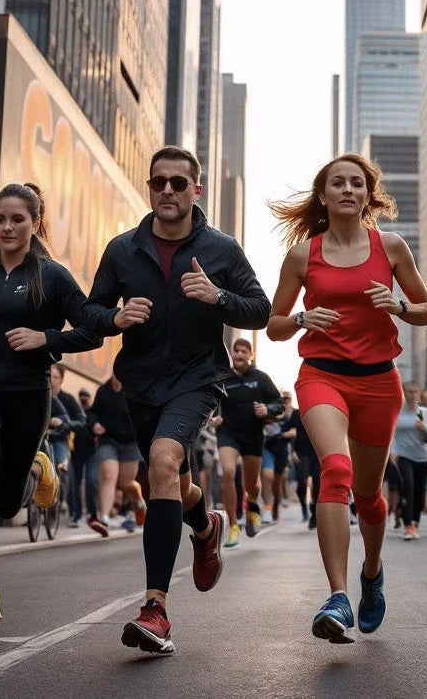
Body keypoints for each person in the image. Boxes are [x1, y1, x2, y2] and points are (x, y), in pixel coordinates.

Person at [83, 146, 271, 655]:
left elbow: (261, 309)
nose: (168, 190)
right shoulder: (123, 249)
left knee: (162, 462)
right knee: (175, 483)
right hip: (141, 385)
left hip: (197, 378)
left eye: (178, 183)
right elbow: (90, 313)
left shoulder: (221, 249)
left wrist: (219, 298)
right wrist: (114, 319)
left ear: (196, 190)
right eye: (159, 182)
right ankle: (206, 526)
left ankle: (156, 609)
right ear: (150, 189)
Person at [267, 153, 427, 643]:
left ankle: (372, 572)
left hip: (379, 383)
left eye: (356, 183)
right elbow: (274, 325)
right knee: (334, 472)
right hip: (321, 376)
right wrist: (301, 319)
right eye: (337, 183)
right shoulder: (303, 255)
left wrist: (399, 306)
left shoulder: (393, 247)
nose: (347, 190)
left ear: (367, 195)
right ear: (324, 195)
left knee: (370, 497)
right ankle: (338, 596)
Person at [0, 183, 100, 621]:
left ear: (34, 223)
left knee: (6, 504)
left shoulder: (51, 275)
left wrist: (45, 338)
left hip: (29, 392)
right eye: (0, 219)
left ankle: (38, 463)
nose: (7, 227)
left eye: (18, 220)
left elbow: (91, 329)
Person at [211, 338, 284, 547]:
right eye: (237, 351)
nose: (240, 355)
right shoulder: (223, 378)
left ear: (250, 355)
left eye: (244, 351)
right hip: (228, 433)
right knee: (228, 472)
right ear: (232, 354)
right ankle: (233, 526)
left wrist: (267, 410)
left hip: (253, 435)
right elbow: (212, 401)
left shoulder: (261, 378)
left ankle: (252, 504)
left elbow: (279, 404)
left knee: (251, 485)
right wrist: (215, 416)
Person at [87, 375, 143, 536]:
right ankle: (104, 518)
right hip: (108, 440)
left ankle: (137, 494)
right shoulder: (104, 391)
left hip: (130, 442)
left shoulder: (135, 389)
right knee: (109, 475)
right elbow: (93, 413)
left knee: (126, 483)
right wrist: (95, 424)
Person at [390, 382, 427, 540]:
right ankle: (408, 525)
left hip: (422, 457)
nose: (412, 395)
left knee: (418, 491)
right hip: (402, 455)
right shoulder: (396, 411)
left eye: (415, 392)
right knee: (407, 486)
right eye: (409, 392)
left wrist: (423, 428)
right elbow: (390, 434)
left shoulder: (425, 413)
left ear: (420, 394)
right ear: (403, 393)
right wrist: (392, 452)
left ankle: (414, 520)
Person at [261, 391, 297, 523]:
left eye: (288, 399)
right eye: (283, 399)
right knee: (266, 475)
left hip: (282, 451)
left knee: (277, 483)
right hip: (267, 448)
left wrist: (282, 435)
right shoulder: (268, 411)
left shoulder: (293, 414)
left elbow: (294, 432)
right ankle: (267, 508)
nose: (286, 401)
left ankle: (275, 510)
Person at [69, 386, 96, 527]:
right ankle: (76, 515)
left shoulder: (93, 412)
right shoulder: (76, 411)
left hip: (92, 452)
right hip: (76, 453)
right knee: (75, 484)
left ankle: (93, 514)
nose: (83, 398)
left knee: (91, 482)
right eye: (81, 395)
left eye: (85, 395)